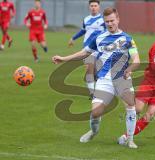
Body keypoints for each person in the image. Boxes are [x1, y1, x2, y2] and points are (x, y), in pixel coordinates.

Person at [52, 7, 140, 149]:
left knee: (131, 106)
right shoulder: (98, 38)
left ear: (118, 19)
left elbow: (136, 59)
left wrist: (129, 69)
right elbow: (83, 53)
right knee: (96, 112)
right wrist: (63, 58)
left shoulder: (128, 39)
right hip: (104, 80)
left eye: (112, 20)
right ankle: (93, 132)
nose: (110, 24)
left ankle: (130, 140)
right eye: (107, 22)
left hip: (121, 78)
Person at [68, 0, 106, 99]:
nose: (93, 7)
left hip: (99, 48)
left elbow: (108, 32)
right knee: (89, 68)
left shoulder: (103, 20)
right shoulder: (86, 19)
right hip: (87, 48)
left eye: (95, 5)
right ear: (89, 7)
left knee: (96, 72)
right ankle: (92, 93)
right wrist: (73, 38)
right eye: (91, 5)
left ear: (99, 7)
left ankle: (99, 90)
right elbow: (83, 31)